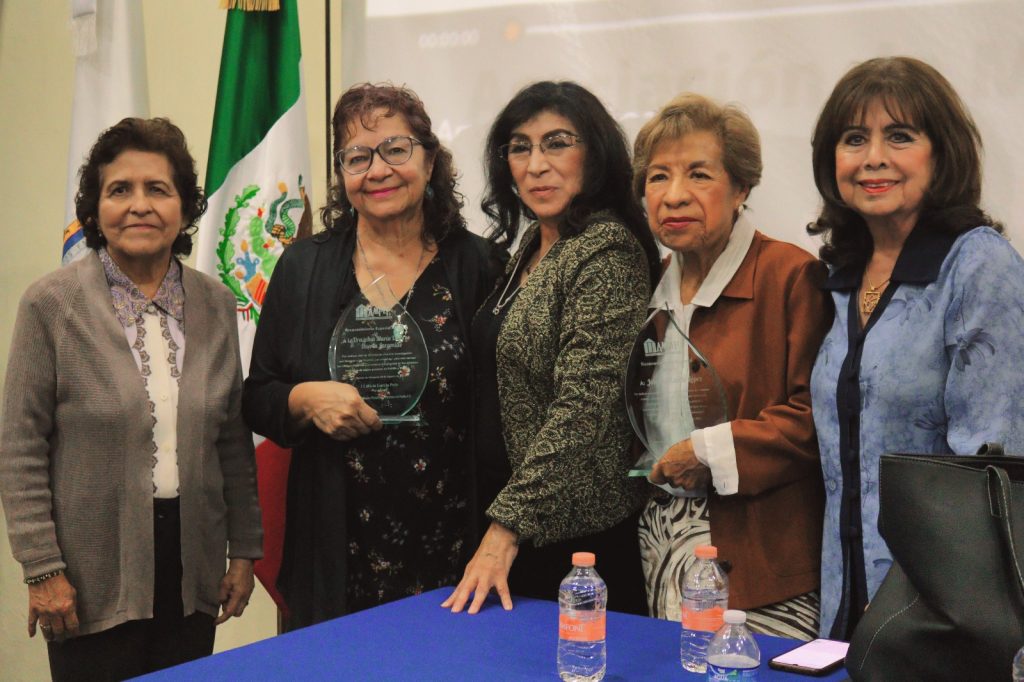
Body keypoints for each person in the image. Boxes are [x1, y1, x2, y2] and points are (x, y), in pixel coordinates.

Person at [0, 118, 263, 681]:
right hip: (86, 577)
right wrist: (42, 569)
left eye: (157, 189)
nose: (139, 205)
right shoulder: (50, 304)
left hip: (193, 571)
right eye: (120, 189)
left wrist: (243, 552)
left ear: (184, 209)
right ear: (95, 212)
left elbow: (232, 441)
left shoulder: (217, 304)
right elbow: (20, 448)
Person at [242, 83, 503, 629]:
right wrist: (304, 399)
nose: (378, 170)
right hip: (338, 546)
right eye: (357, 157)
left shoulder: (482, 266)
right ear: (342, 174)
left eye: (395, 149)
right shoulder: (303, 268)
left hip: (457, 546)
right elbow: (258, 397)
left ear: (429, 160)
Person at [808, 56, 1024, 640]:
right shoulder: (840, 276)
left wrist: (915, 608)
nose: (873, 157)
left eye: (899, 136)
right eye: (854, 139)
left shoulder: (978, 264)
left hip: (942, 614)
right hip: (846, 604)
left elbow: (993, 468)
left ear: (942, 153)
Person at [442, 80, 662, 616]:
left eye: (557, 143)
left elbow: (584, 410)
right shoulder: (532, 245)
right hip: (517, 523)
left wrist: (506, 528)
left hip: (572, 541)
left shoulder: (606, 251)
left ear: (596, 154)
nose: (536, 165)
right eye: (520, 147)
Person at [633, 93, 830, 639]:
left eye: (699, 174)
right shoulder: (650, 286)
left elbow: (817, 418)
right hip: (661, 548)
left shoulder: (791, 276)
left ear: (741, 187)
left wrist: (706, 452)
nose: (674, 195)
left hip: (762, 561)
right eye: (657, 177)